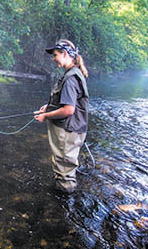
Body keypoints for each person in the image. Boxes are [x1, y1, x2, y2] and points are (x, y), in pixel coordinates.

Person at [34, 39, 89, 194]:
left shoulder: (71, 79)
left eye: (56, 55)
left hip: (68, 131)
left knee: (64, 171)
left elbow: (68, 110)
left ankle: (64, 204)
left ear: (65, 54)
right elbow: (66, 103)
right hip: (71, 130)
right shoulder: (73, 74)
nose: (53, 58)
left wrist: (45, 115)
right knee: (64, 165)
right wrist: (48, 107)